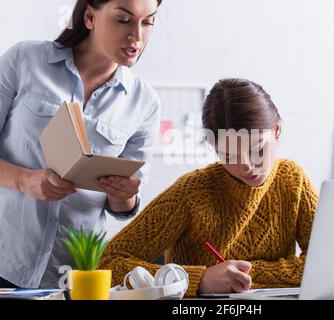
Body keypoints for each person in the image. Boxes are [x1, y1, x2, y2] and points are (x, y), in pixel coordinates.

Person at [0, 0, 162, 289]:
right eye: (123, 20)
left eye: (148, 22)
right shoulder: (25, 60)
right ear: (90, 17)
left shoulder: (144, 103)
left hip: (73, 277)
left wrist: (125, 193)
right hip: (0, 259)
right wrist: (25, 181)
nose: (137, 36)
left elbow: (122, 207)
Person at [100, 78, 319, 297]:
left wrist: (244, 276)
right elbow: (108, 263)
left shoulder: (292, 180)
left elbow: (325, 263)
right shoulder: (192, 193)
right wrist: (198, 280)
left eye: (258, 150)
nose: (247, 166)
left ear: (277, 130)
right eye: (229, 156)